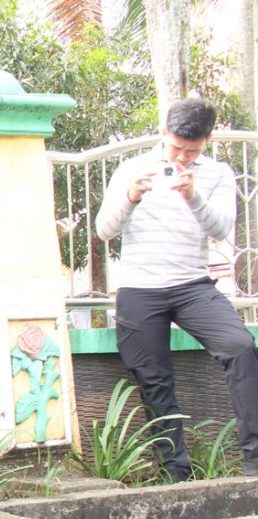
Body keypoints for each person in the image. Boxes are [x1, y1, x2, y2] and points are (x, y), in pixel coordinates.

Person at [95, 97, 248, 481]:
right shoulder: (131, 168)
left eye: (191, 150)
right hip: (140, 286)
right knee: (153, 376)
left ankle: (255, 460)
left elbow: (220, 230)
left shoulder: (217, 174)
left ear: (207, 141)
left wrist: (192, 196)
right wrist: (130, 199)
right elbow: (104, 230)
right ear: (164, 132)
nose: (181, 157)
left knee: (240, 346)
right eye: (176, 146)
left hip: (192, 285)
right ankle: (175, 472)